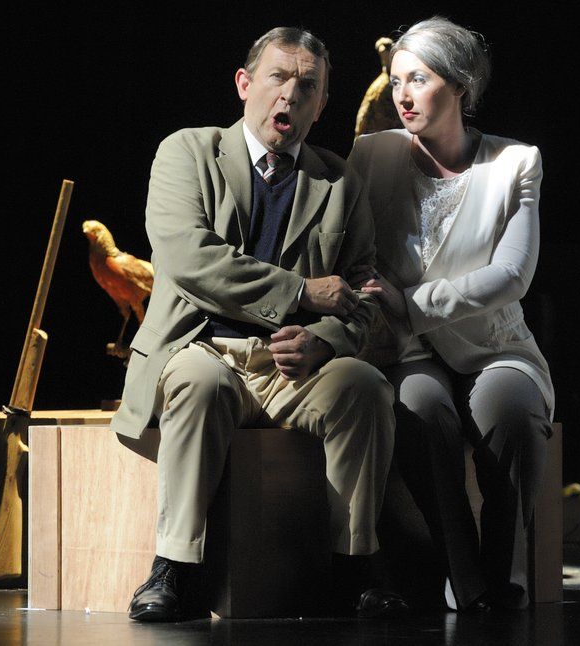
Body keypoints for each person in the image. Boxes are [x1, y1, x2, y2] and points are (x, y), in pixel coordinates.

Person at [110, 27, 407, 622]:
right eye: (278, 77)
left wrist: (323, 341)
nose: (290, 95)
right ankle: (173, 567)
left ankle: (354, 568)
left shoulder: (339, 181)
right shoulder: (188, 152)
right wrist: (300, 292)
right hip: (202, 347)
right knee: (199, 383)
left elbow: (363, 294)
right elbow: (188, 258)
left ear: (322, 104)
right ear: (245, 83)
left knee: (364, 387)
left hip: (292, 367)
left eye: (307, 86)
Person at [348, 17, 554, 611]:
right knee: (420, 408)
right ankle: (466, 582)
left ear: (461, 84)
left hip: (494, 345)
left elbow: (512, 275)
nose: (403, 95)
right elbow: (353, 251)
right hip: (405, 348)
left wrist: (412, 302)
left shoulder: (514, 162)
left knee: (512, 413)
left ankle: (504, 579)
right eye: (396, 81)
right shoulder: (372, 154)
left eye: (419, 78)